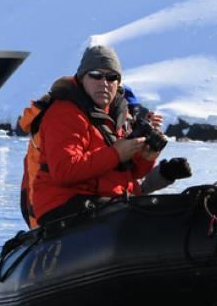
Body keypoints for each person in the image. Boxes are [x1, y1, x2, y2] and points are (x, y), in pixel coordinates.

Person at [23, 45, 192, 227]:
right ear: (81, 78)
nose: (104, 82)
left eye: (112, 77)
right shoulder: (65, 114)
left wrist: (145, 158)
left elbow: (129, 173)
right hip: (65, 207)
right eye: (95, 75)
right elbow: (65, 171)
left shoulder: (116, 115)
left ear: (118, 84)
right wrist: (116, 153)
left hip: (106, 204)